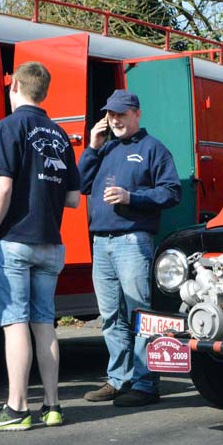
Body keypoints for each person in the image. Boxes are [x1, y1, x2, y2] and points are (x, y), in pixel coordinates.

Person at [0, 61, 80, 432]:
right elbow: (74, 200)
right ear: (44, 91)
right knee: (44, 324)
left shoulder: (10, 126)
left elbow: (2, 187)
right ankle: (53, 406)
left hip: (15, 242)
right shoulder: (61, 134)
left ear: (14, 86)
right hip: (51, 243)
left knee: (14, 324)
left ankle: (16, 409)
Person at [79, 89, 181, 407]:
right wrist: (92, 147)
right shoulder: (104, 148)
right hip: (101, 242)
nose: (115, 120)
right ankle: (118, 379)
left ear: (137, 114)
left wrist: (131, 197)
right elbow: (79, 184)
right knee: (110, 316)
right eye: (111, 114)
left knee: (140, 314)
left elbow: (172, 191)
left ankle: (146, 383)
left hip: (132, 240)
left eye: (122, 114)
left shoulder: (153, 149)